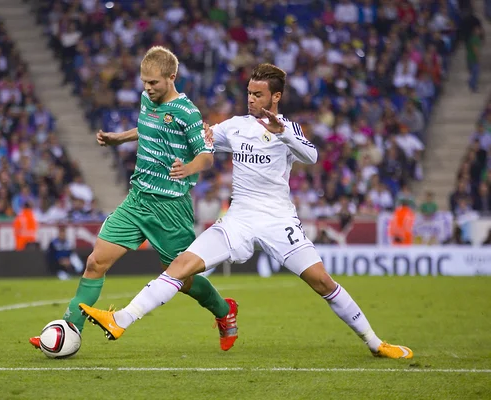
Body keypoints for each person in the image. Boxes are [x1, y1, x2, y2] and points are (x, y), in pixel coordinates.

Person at [80, 63, 413, 359]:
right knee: (181, 266)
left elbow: (311, 156)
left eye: (258, 94)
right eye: (249, 93)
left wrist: (283, 134)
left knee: (322, 282)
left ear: (276, 97)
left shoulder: (288, 129)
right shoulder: (235, 126)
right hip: (238, 219)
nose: (251, 99)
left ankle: (374, 342)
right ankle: (121, 318)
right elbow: (201, 141)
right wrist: (176, 149)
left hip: (278, 220)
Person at [30, 47, 238, 351]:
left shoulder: (187, 112)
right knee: (95, 262)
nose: (147, 88)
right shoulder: (147, 100)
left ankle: (224, 311)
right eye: (144, 82)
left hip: (170, 207)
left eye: (153, 83)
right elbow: (146, 128)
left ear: (171, 77)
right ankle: (69, 327)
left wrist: (188, 167)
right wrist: (119, 137)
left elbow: (206, 156)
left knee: (184, 280)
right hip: (137, 200)